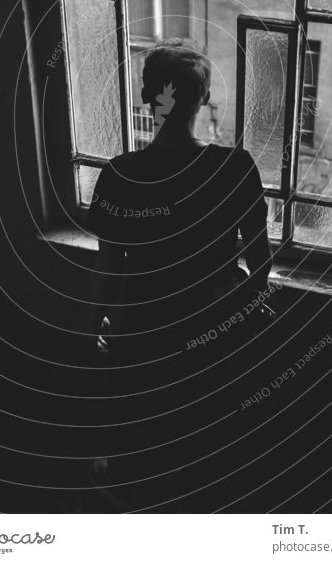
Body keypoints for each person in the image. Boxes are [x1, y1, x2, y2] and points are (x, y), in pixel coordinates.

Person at [86, 39, 273, 503]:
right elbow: (261, 260)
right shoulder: (234, 167)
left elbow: (109, 271)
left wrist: (93, 329)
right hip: (215, 331)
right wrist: (245, 310)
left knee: (146, 457)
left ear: (149, 97)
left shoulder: (119, 175)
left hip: (147, 335)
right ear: (203, 99)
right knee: (212, 458)